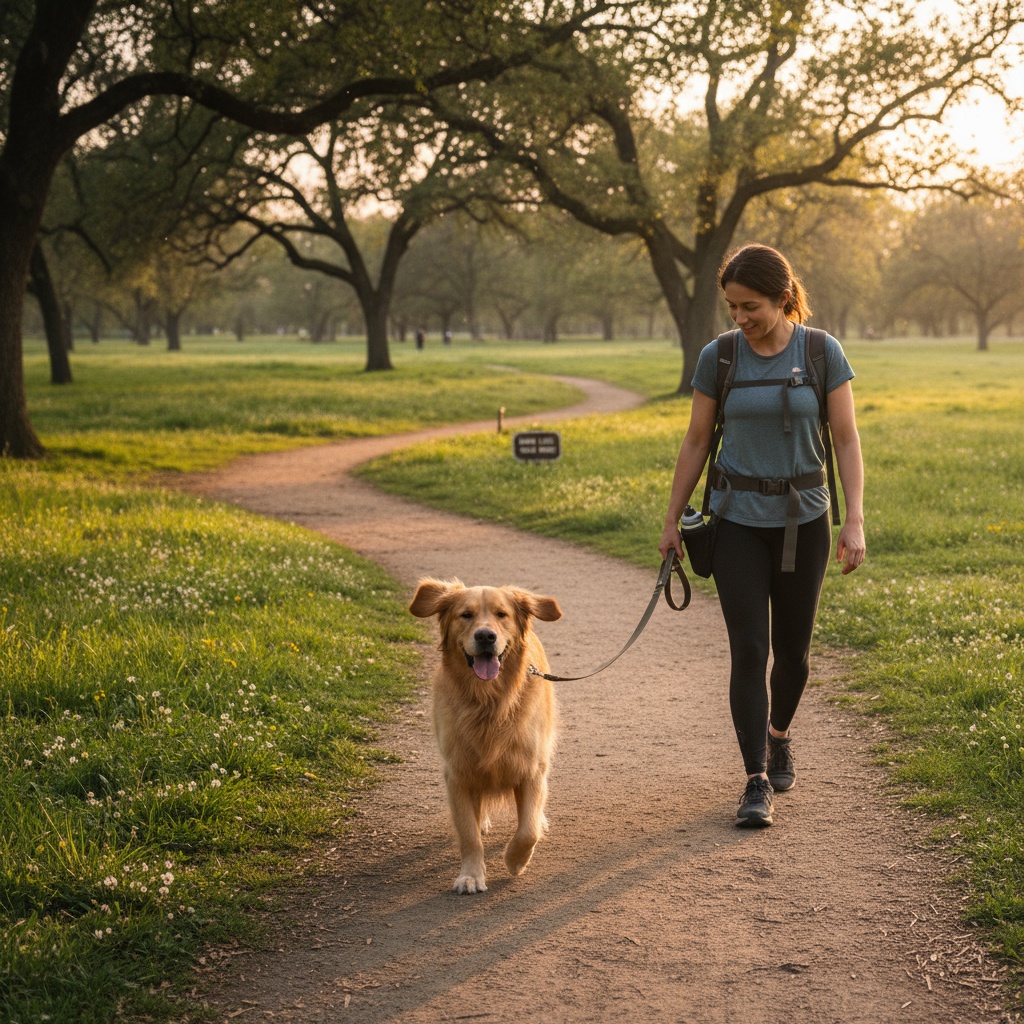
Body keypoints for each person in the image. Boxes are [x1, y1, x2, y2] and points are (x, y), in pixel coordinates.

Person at [658, 243, 866, 828]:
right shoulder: (719, 358)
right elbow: (698, 440)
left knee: (793, 656)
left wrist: (854, 519)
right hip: (736, 522)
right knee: (750, 649)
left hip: (805, 521)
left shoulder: (821, 351)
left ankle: (779, 735)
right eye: (732, 308)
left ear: (782, 297)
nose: (741, 318)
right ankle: (754, 780)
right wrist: (673, 519)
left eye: (751, 306)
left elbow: (846, 440)